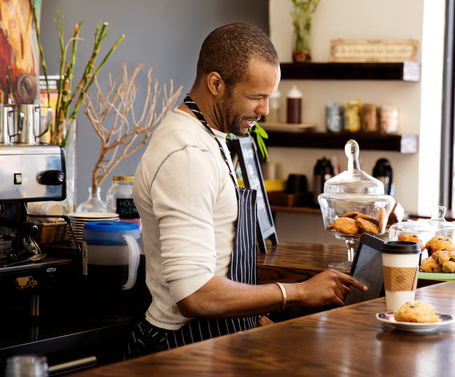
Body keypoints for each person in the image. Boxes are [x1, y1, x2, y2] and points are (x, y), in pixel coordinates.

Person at [125, 23, 366, 357]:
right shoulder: (187, 155)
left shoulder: (211, 135)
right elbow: (194, 295)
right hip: (184, 347)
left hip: (220, 332)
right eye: (256, 97)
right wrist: (295, 293)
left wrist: (254, 317)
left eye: (269, 97)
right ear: (215, 84)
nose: (265, 110)